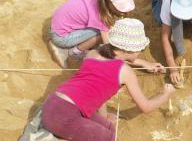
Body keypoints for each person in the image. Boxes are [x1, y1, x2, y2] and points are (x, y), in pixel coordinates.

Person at [41, 18, 175, 141]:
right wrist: (166, 94)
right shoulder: (125, 71)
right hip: (62, 116)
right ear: (132, 50)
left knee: (109, 127)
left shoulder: (93, 53)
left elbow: (99, 95)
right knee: (109, 137)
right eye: (141, 48)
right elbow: (145, 106)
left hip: (55, 102)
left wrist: (104, 118)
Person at [48, 0, 134, 68]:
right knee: (103, 33)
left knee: (106, 28)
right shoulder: (99, 14)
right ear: (108, 0)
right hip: (61, 37)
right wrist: (123, 59)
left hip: (58, 26)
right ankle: (74, 52)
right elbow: (108, 46)